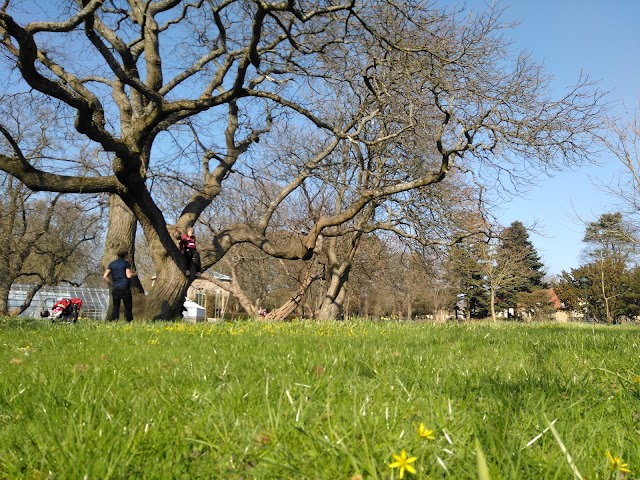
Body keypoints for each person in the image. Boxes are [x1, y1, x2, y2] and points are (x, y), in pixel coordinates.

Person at [103, 247, 134, 321]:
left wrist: (111, 282)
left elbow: (104, 276)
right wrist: (134, 274)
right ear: (125, 255)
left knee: (116, 306)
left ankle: (114, 321)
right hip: (125, 287)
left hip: (115, 288)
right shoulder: (126, 263)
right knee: (128, 307)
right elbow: (128, 275)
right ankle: (129, 321)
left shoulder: (112, 264)